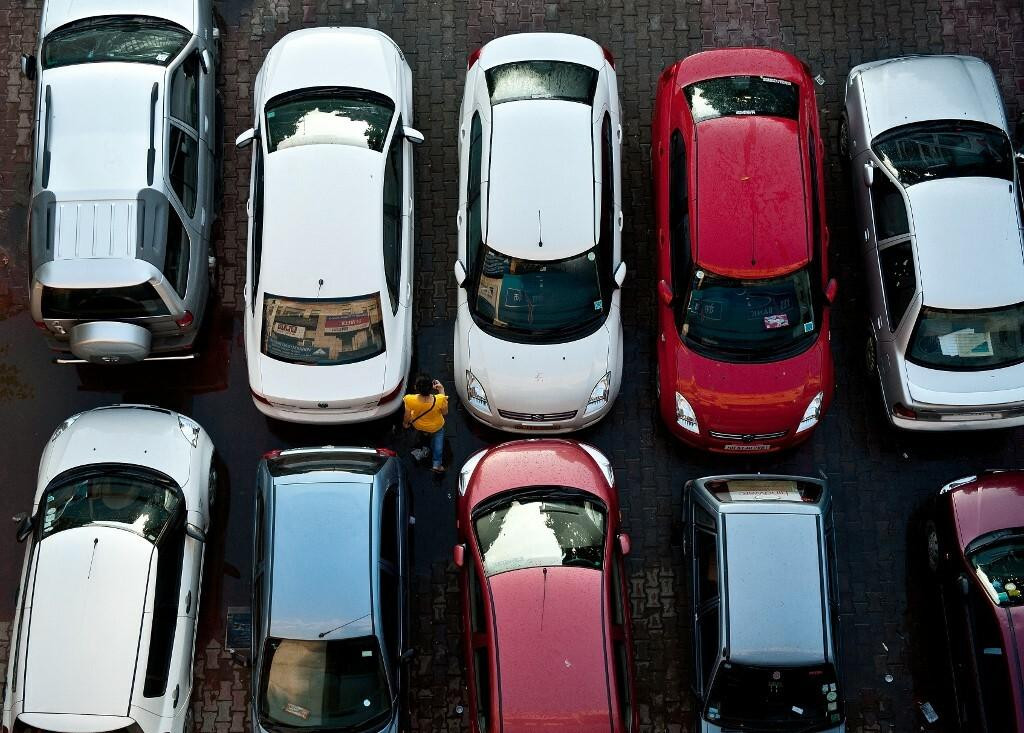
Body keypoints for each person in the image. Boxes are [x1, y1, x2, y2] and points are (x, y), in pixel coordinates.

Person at [402, 374, 448, 473]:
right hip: (436, 427)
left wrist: (405, 424)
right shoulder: (439, 399)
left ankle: (425, 435)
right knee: (438, 445)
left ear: (415, 387)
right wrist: (441, 390)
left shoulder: (409, 399)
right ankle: (437, 465)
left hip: (419, 425)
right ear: (432, 387)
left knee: (423, 435)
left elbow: (407, 415)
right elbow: (445, 413)